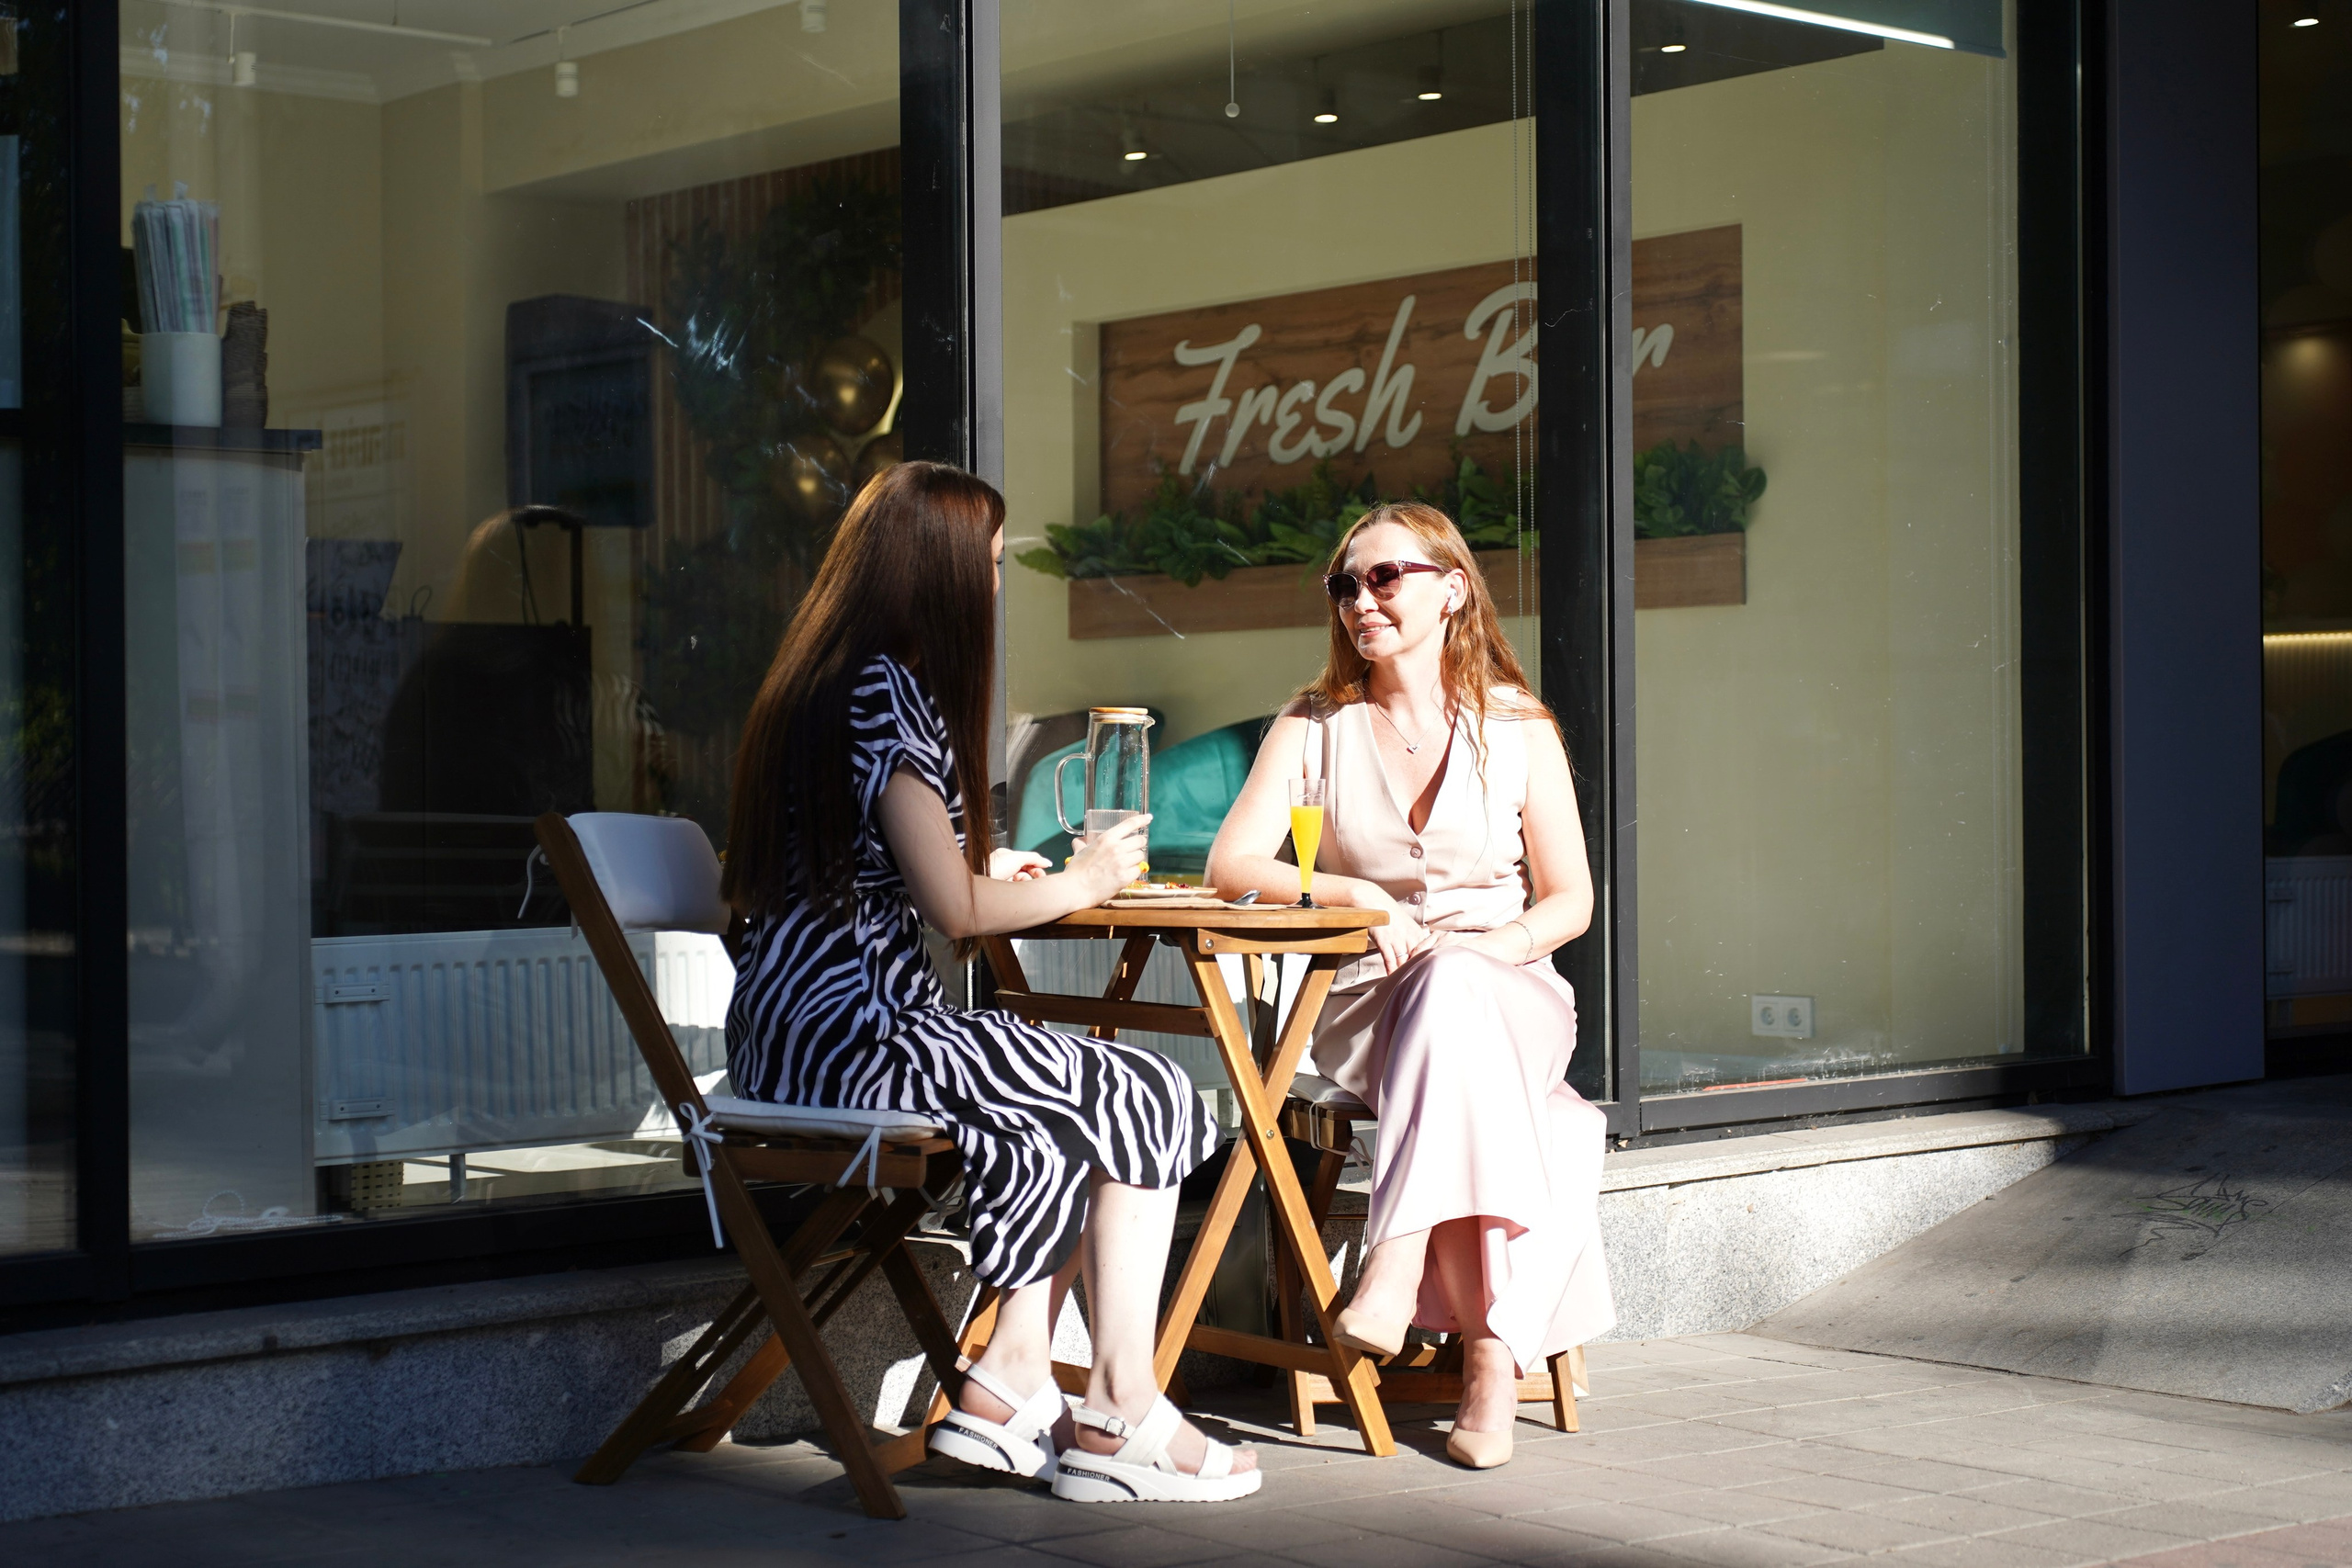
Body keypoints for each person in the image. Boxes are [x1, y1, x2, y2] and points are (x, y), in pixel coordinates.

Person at [721, 462, 1260, 1504]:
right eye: (995, 562)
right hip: (858, 1044)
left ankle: (1011, 1383)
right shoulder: (883, 689)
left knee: (1070, 1096)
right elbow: (953, 916)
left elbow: (910, 877)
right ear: (943, 571)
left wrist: (989, 871)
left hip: (786, 1035)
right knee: (1144, 1089)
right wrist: (1087, 878)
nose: (1001, 583)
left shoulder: (812, 683)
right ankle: (1116, 1411)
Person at [1205, 502, 1616, 1471]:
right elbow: (1234, 864)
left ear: (1451, 590)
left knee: (1456, 984)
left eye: (1385, 577)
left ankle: (1394, 1259)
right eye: (1344, 584)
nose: (1361, 601)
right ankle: (1486, 1358)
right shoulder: (1314, 724)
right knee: (1453, 1020)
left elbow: (1570, 902)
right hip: (1364, 1004)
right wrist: (1352, 891)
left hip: (1511, 990)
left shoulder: (1518, 726)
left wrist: (1488, 950)